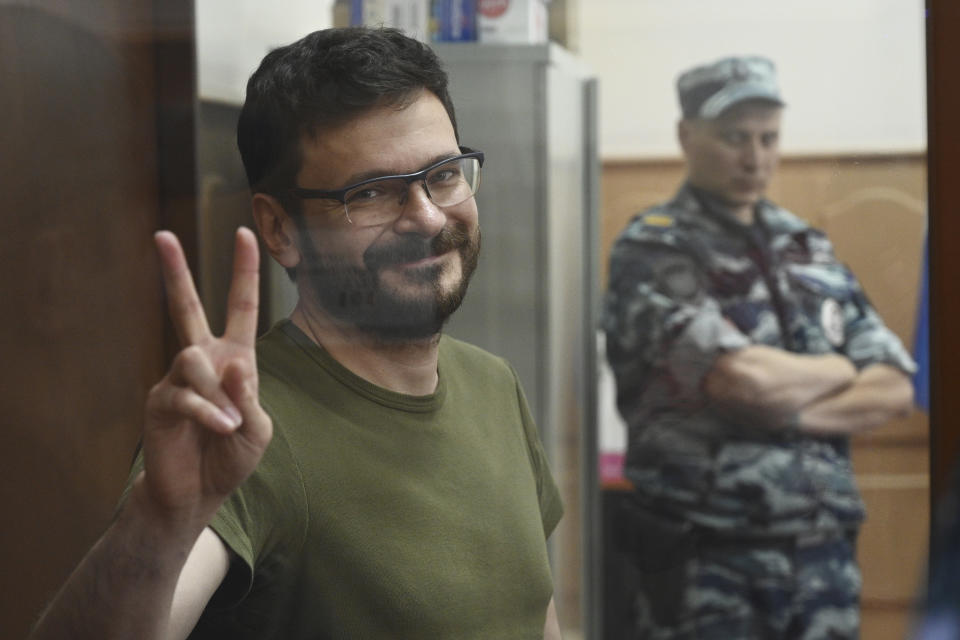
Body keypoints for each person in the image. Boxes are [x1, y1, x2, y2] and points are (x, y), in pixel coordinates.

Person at [29, 27, 563, 640]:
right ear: (280, 229)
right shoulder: (242, 431)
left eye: (443, 174)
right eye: (370, 193)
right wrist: (158, 521)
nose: (425, 215)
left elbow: (534, 616)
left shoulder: (494, 385)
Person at [602, 56, 916, 639]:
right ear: (685, 136)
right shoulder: (653, 251)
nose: (755, 158)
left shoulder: (807, 247)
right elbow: (741, 381)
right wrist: (842, 365)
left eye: (768, 138)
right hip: (708, 560)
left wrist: (791, 410)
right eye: (734, 138)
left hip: (823, 556)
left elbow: (896, 384)